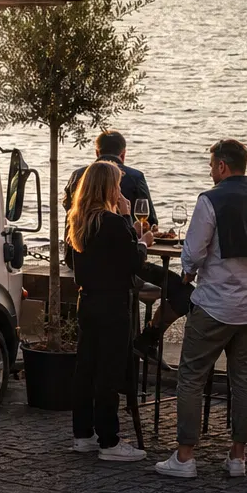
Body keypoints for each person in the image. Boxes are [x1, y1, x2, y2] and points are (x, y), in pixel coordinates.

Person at [156, 139, 247, 480]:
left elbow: (194, 253)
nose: (210, 171)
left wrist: (186, 272)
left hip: (214, 305)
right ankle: (237, 456)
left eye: (212, 165)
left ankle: (185, 457)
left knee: (191, 377)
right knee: (243, 379)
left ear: (223, 167)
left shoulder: (210, 200)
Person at [62, 130, 190, 351]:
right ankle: (147, 338)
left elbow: (69, 211)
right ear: (123, 154)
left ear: (96, 151)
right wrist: (138, 232)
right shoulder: (134, 177)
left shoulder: (77, 175)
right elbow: (148, 223)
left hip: (76, 258)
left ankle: (139, 345)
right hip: (116, 266)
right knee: (184, 289)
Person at [68, 160, 151, 463]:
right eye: (116, 184)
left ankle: (82, 434)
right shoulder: (114, 222)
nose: (119, 190)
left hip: (87, 301)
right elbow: (133, 261)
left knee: (86, 367)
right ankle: (109, 440)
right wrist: (140, 238)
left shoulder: (78, 220)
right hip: (113, 303)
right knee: (110, 370)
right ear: (107, 187)